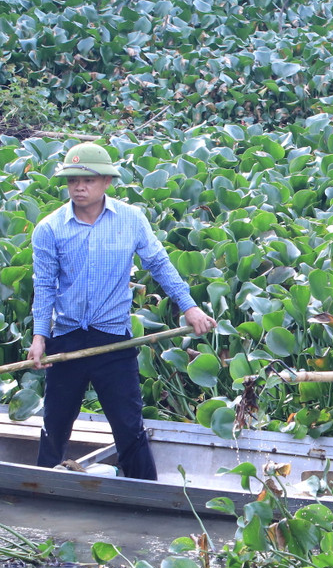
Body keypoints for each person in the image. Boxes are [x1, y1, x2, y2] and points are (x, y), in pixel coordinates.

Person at [28, 142, 214, 481]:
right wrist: (40, 337)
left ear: (107, 182)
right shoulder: (50, 228)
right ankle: (41, 485)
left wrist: (189, 307)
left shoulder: (130, 219)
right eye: (73, 181)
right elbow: (44, 286)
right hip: (67, 337)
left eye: (88, 180)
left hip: (113, 337)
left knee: (128, 424)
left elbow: (159, 264)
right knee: (55, 421)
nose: (79, 187)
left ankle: (145, 491)